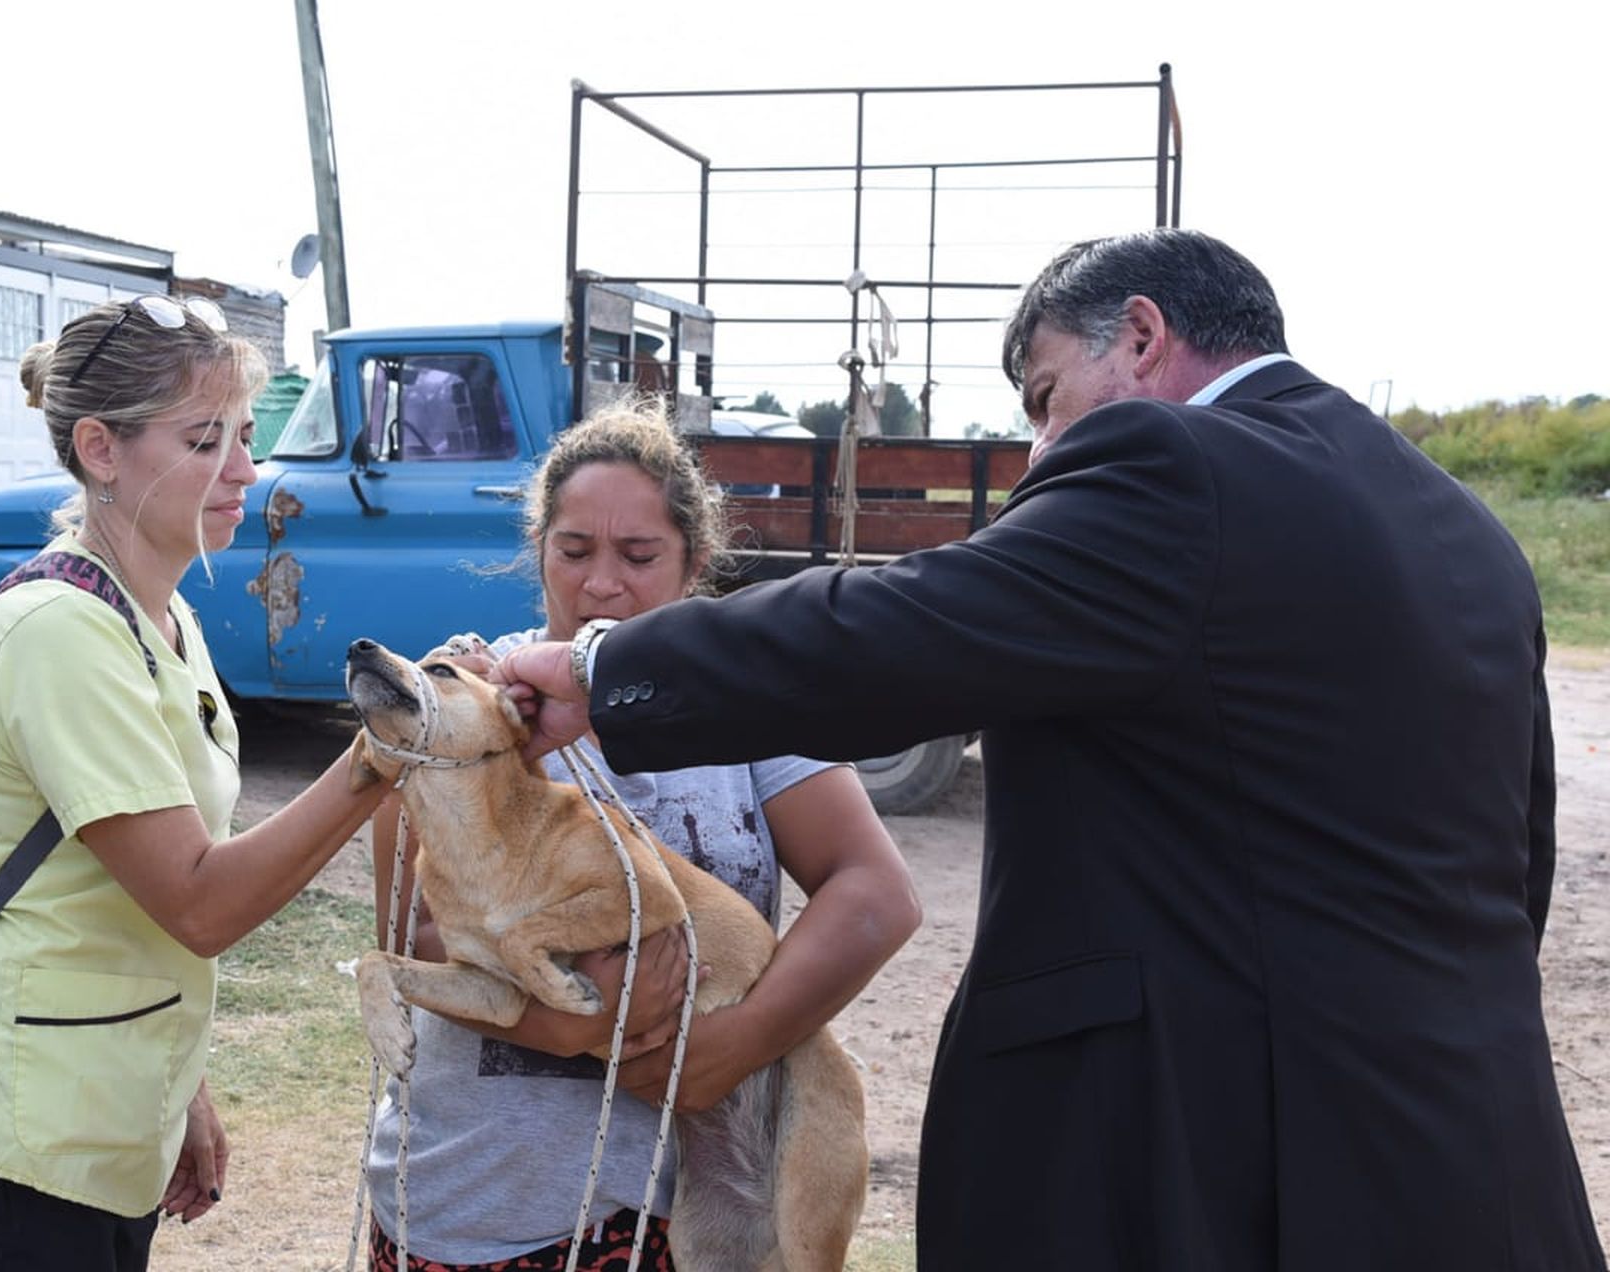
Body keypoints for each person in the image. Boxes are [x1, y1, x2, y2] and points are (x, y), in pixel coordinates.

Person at [495, 230, 1608, 1271]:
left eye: (1043, 399)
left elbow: (900, 631)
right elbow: (1516, 861)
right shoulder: (1467, 533)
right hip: (1476, 1162)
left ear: (1142, 335)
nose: (1039, 451)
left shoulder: (1174, 462)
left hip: (1221, 1166)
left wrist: (603, 669)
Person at [0, 294, 390, 1271]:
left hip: (88, 1132)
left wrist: (178, 1093)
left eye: (245, 436)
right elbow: (195, 900)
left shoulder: (159, 618)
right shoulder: (60, 631)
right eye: (205, 440)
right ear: (100, 450)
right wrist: (380, 755)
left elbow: (115, 908)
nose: (245, 470)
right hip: (2, 1161)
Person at [363, 400, 920, 1270]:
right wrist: (559, 1024)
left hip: (691, 1205)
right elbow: (414, 932)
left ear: (694, 563)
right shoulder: (470, 706)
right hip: (483, 1200)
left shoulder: (749, 710)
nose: (601, 584)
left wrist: (734, 1044)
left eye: (638, 555)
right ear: (538, 549)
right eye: (573, 550)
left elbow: (875, 894)